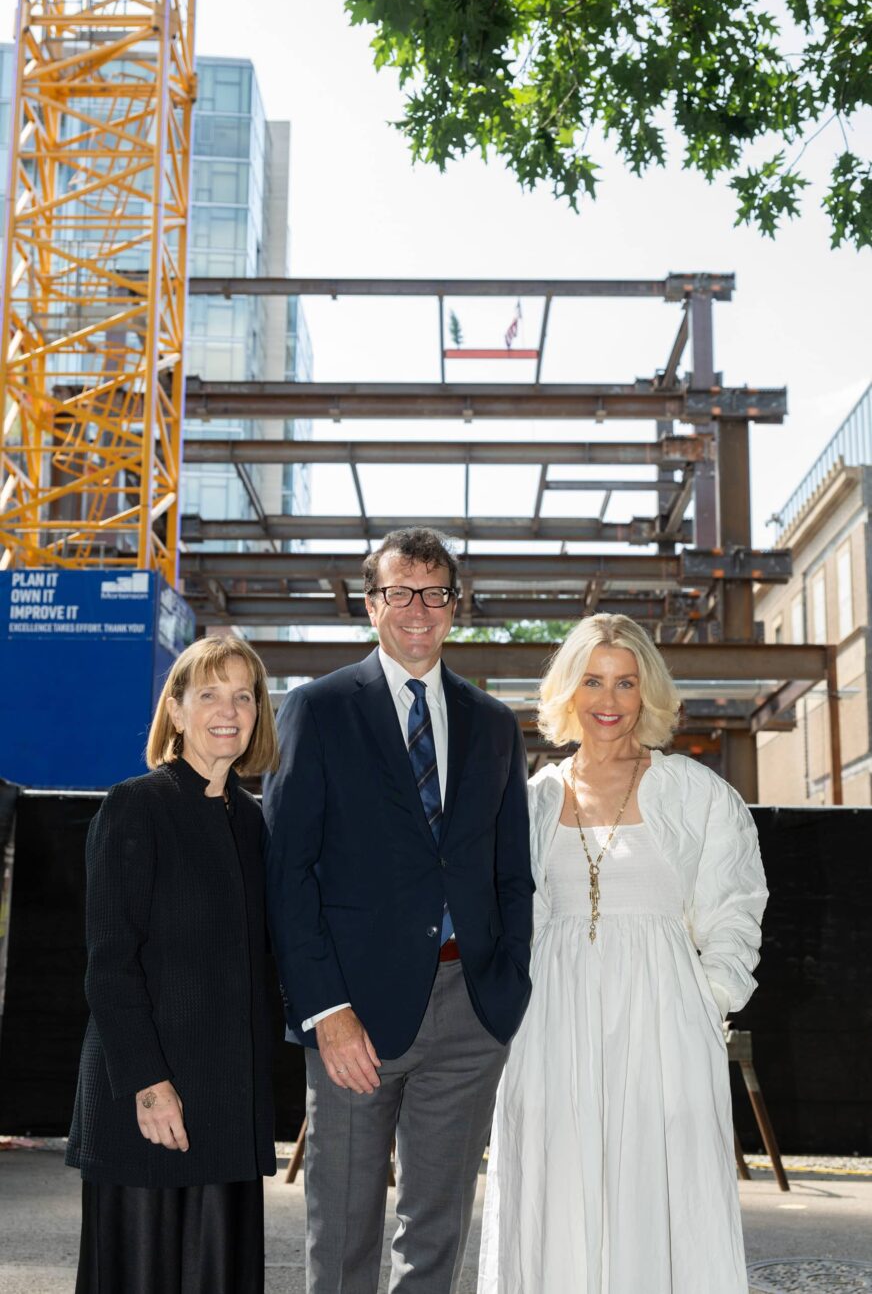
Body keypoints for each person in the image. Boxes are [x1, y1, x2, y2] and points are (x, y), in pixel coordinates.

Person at [263, 526, 534, 1294]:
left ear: (456, 606)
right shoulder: (316, 710)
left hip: (469, 1010)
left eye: (435, 593)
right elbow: (289, 874)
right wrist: (325, 1009)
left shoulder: (492, 724)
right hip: (354, 1011)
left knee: (436, 1229)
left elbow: (510, 870)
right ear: (371, 605)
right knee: (344, 1228)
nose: (418, 609)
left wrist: (502, 992)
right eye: (400, 592)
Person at [478, 613, 768, 1294]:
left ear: (648, 693)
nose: (608, 702)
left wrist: (710, 998)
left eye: (626, 683)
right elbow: (513, 919)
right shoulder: (533, 799)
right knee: (556, 1193)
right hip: (552, 1024)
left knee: (661, 1194)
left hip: (664, 1023)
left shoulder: (694, 793)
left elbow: (736, 903)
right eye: (593, 681)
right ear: (568, 692)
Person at [66, 635, 280, 1294]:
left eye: (243, 695)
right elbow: (109, 961)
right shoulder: (137, 805)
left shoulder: (254, 823)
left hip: (228, 1101)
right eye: (209, 693)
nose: (229, 709)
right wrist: (149, 1084)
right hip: (149, 1098)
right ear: (177, 711)